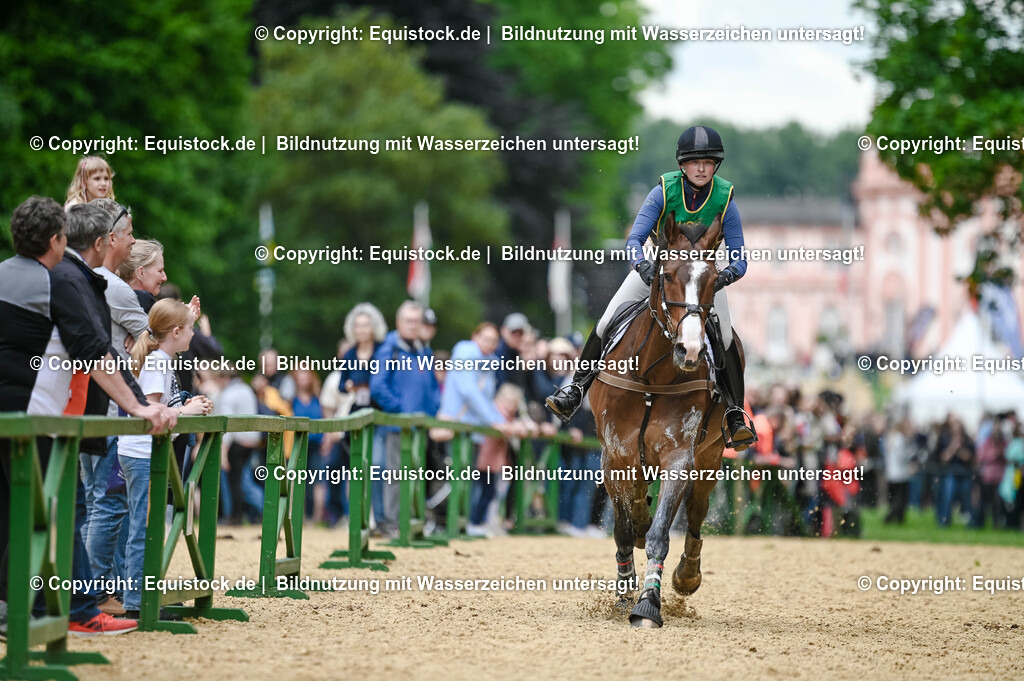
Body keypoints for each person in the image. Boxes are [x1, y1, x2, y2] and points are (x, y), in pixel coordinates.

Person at [0, 197, 173, 637]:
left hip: (28, 413)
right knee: (56, 508)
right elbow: (96, 352)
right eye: (128, 232)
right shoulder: (65, 280)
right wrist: (138, 406)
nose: (131, 240)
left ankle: (30, 606)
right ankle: (66, 611)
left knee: (24, 509)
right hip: (36, 416)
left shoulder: (16, 274)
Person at [545, 126, 756, 451]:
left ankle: (734, 414)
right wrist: (642, 266)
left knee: (725, 336)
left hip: (700, 279)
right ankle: (576, 389)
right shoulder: (663, 190)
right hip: (659, 272)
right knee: (607, 319)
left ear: (716, 165)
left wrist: (723, 278)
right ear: (683, 165)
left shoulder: (726, 199)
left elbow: (740, 258)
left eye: (708, 162)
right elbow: (635, 239)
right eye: (695, 161)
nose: (702, 168)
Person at [118, 299, 212, 619]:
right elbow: (151, 411)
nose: (194, 334)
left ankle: (143, 595)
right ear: (175, 332)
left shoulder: (161, 359)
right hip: (142, 454)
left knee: (148, 525)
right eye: (190, 329)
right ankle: (135, 601)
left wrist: (185, 403)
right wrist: (187, 411)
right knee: (144, 528)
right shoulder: (158, 363)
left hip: (143, 453)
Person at [369, 301, 440, 533]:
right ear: (398, 322)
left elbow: (431, 386)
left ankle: (412, 522)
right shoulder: (389, 348)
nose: (412, 325)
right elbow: (378, 386)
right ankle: (392, 524)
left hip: (421, 427)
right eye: (407, 321)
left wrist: (433, 413)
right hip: (398, 427)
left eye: (416, 321)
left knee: (417, 475)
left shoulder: (423, 349)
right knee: (395, 476)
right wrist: (401, 410)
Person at [436, 322, 510, 537]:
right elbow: (469, 391)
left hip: (474, 430)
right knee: (455, 476)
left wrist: (495, 419)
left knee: (467, 478)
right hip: (456, 427)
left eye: (493, 341)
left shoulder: (490, 362)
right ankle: (450, 523)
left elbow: (485, 398)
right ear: (475, 336)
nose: (489, 344)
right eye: (485, 339)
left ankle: (463, 523)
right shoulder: (464, 353)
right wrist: (495, 420)